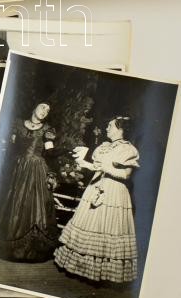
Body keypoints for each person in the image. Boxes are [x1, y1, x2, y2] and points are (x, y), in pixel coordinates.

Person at [54, 116, 139, 284]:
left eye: (110, 126)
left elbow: (126, 175)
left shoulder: (128, 149)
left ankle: (103, 273)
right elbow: (95, 167)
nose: (107, 128)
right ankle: (81, 268)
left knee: (108, 227)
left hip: (114, 192)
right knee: (89, 224)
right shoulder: (104, 147)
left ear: (120, 129)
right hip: (95, 187)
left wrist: (106, 167)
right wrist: (84, 163)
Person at [0, 103, 59, 262]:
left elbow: (50, 152)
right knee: (16, 203)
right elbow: (10, 148)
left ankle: (32, 249)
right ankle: (14, 248)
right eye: (43, 107)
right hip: (19, 169)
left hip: (37, 169)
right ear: (34, 107)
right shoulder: (17, 124)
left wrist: (56, 165)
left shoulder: (47, 130)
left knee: (35, 204)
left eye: (48, 110)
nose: (45, 111)